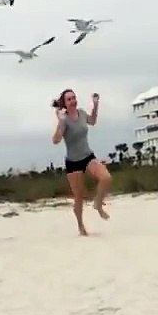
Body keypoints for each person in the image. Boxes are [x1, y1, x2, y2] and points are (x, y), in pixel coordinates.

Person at [51, 88, 110, 236]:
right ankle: (81, 226)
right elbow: (55, 140)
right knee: (79, 197)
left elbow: (93, 121)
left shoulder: (82, 113)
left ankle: (98, 204)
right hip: (73, 162)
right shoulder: (64, 120)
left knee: (106, 178)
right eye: (69, 99)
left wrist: (95, 104)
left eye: (74, 98)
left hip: (88, 156)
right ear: (64, 103)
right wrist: (60, 122)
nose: (73, 101)